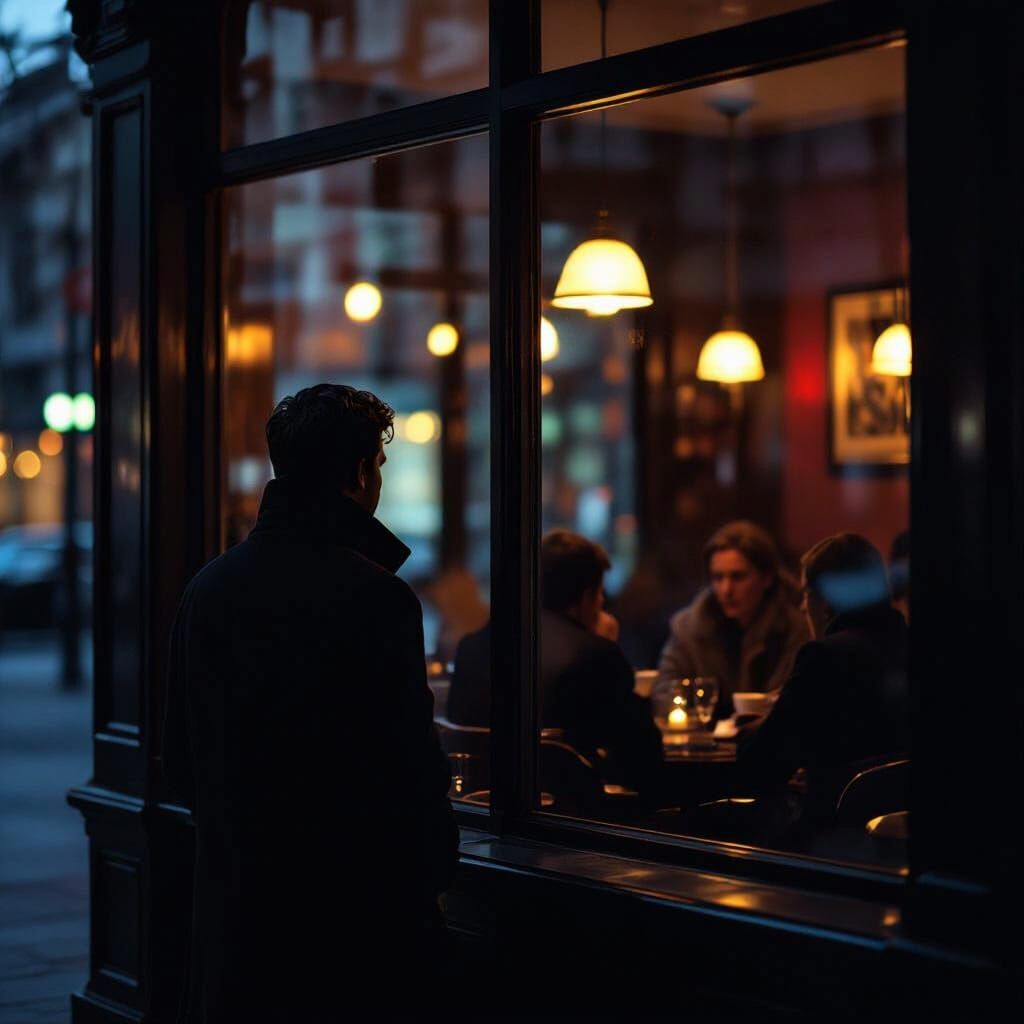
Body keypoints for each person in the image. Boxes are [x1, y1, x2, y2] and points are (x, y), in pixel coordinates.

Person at [162, 384, 458, 1021]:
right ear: (358, 472)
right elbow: (406, 766)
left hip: (239, 918)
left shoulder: (207, 590)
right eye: (378, 465)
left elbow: (180, 759)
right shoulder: (377, 598)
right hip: (352, 922)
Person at [447, 529, 664, 798]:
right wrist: (605, 644)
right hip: (569, 823)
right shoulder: (594, 654)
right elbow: (646, 760)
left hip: (481, 812)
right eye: (599, 595)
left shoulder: (472, 646)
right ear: (586, 597)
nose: (602, 603)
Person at [735, 533, 909, 823]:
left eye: (806, 593)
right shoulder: (913, 645)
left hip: (827, 841)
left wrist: (752, 732)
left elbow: (761, 767)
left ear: (827, 599)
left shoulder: (823, 657)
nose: (803, 607)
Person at [656, 521, 808, 718]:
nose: (726, 590)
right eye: (718, 578)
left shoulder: (795, 630)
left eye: (738, 577)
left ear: (767, 578)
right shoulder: (690, 629)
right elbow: (664, 693)